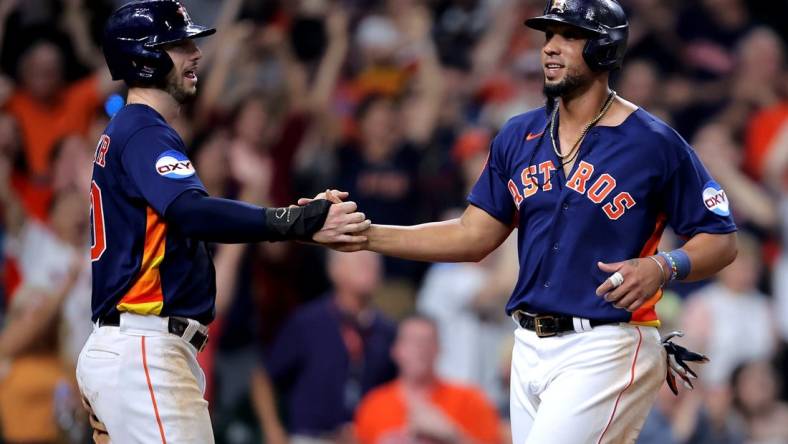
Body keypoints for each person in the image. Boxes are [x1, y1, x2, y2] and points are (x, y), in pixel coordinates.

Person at [337, 1, 738, 442]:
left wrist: (664, 266)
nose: (550, 48)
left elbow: (721, 239)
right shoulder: (518, 134)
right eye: (548, 35)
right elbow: (473, 235)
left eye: (568, 36)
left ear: (605, 48)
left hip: (605, 342)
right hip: (527, 345)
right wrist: (366, 235)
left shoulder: (655, 143)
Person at [75, 2, 369, 443]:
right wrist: (291, 221)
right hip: (144, 349)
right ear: (144, 56)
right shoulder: (142, 129)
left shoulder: (132, 129)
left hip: (133, 347)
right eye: (178, 44)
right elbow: (190, 211)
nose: (194, 53)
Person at [252, 250, 398, 444]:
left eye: (374, 264)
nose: (370, 268)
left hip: (369, 438)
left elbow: (398, 389)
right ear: (334, 270)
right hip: (311, 437)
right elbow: (263, 379)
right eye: (361, 262)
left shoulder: (388, 331)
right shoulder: (308, 322)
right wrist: (273, 430)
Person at [354, 315, 502, 444]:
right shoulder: (373, 405)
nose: (420, 349)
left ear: (439, 348)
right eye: (412, 341)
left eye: (427, 341)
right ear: (396, 350)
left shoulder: (470, 400)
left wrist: (452, 435)